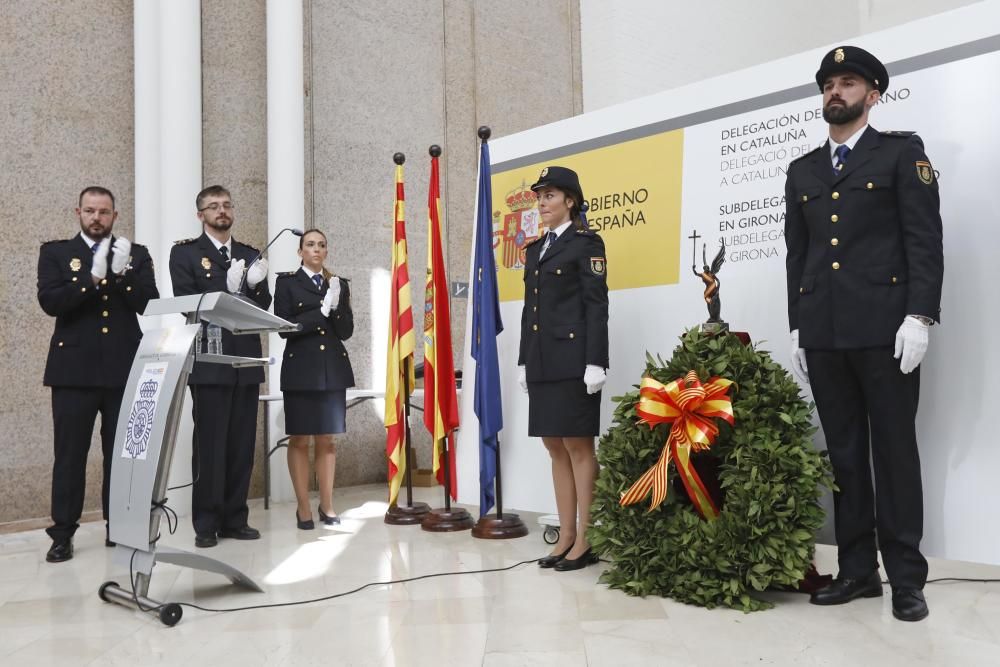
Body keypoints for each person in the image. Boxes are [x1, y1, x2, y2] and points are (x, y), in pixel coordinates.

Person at [784, 46, 943, 622]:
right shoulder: (801, 170)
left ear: (873, 94)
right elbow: (797, 254)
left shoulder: (901, 155)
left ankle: (906, 578)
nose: (835, 92)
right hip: (825, 334)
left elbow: (924, 241)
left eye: (848, 82)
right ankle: (857, 571)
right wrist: (799, 326)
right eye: (828, 83)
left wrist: (920, 316)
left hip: (886, 332)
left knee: (895, 453)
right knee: (845, 455)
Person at [37, 186, 159, 562]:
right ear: (78, 212)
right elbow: (51, 302)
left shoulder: (135, 254)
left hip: (123, 369)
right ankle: (63, 533)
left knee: (122, 456)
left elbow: (149, 304)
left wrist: (122, 273)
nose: (97, 218)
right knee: (70, 455)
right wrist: (91, 278)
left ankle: (118, 526)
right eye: (90, 211)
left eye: (104, 212)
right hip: (73, 371)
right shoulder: (56, 252)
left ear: (115, 216)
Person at [169, 185, 272, 548]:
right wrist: (223, 290)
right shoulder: (185, 253)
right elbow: (185, 301)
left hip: (245, 358)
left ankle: (235, 518)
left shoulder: (248, 253)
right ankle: (207, 523)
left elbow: (264, 304)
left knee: (242, 446)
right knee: (211, 444)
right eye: (213, 206)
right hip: (210, 360)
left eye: (227, 205)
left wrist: (256, 286)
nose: (221, 211)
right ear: (201, 215)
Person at [517, 166, 609, 572]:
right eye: (539, 196)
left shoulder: (586, 243)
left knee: (578, 446)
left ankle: (588, 539)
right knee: (553, 445)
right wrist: (524, 358)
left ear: (570, 200)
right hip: (541, 360)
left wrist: (596, 361)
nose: (542, 203)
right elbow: (529, 311)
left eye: (550, 195)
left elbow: (596, 306)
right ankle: (567, 535)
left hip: (574, 361)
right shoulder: (535, 250)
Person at [273, 229, 355, 529]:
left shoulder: (338, 284)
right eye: (310, 245)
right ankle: (303, 507)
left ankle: (328, 505)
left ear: (326, 251)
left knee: (327, 441)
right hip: (300, 370)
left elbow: (346, 331)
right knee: (299, 439)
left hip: (331, 369)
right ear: (300, 252)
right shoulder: (287, 284)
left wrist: (335, 307)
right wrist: (319, 311)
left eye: (321, 245)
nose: (316, 250)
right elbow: (284, 328)